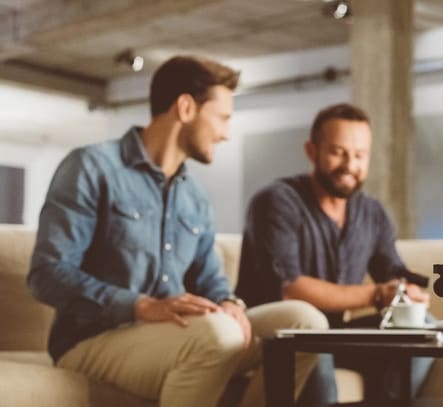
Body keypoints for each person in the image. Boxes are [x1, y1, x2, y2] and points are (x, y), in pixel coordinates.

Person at [26, 55, 327, 407]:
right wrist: (140, 306)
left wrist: (228, 302)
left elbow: (209, 278)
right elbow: (46, 275)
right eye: (223, 118)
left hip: (176, 337)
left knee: (306, 322)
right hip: (93, 341)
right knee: (217, 335)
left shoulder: (195, 196)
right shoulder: (92, 167)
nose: (227, 133)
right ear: (185, 108)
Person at [236, 102, 432, 404]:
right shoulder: (276, 202)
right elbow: (291, 290)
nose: (350, 165)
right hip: (280, 335)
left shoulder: (371, 212)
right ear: (311, 150)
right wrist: (377, 294)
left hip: (338, 334)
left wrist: (407, 292)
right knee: (313, 340)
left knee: (422, 325)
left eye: (359, 155)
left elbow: (392, 272)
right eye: (338, 152)